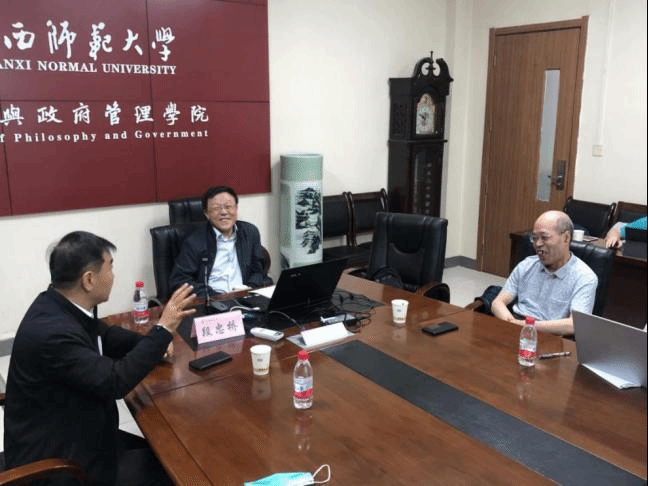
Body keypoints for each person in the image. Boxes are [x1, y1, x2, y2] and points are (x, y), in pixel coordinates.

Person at [4, 231, 197, 486]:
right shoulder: (52, 333)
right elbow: (114, 382)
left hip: (77, 427)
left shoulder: (58, 303)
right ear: (89, 279)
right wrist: (162, 330)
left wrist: (151, 344)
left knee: (167, 451)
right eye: (110, 267)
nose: (113, 275)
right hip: (59, 461)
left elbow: (104, 335)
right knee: (177, 470)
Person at [491, 210, 597, 335]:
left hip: (551, 336)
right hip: (515, 325)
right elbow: (498, 302)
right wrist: (513, 324)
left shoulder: (584, 277)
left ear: (566, 238)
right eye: (534, 238)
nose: (538, 244)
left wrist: (526, 326)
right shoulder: (527, 265)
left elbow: (574, 324)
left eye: (544, 237)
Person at [169, 185, 272, 297]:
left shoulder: (250, 233)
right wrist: (216, 297)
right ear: (206, 213)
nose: (223, 212)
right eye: (216, 208)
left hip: (245, 297)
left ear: (236, 209)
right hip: (212, 300)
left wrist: (250, 289)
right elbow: (180, 280)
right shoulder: (194, 241)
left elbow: (258, 270)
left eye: (228, 206)